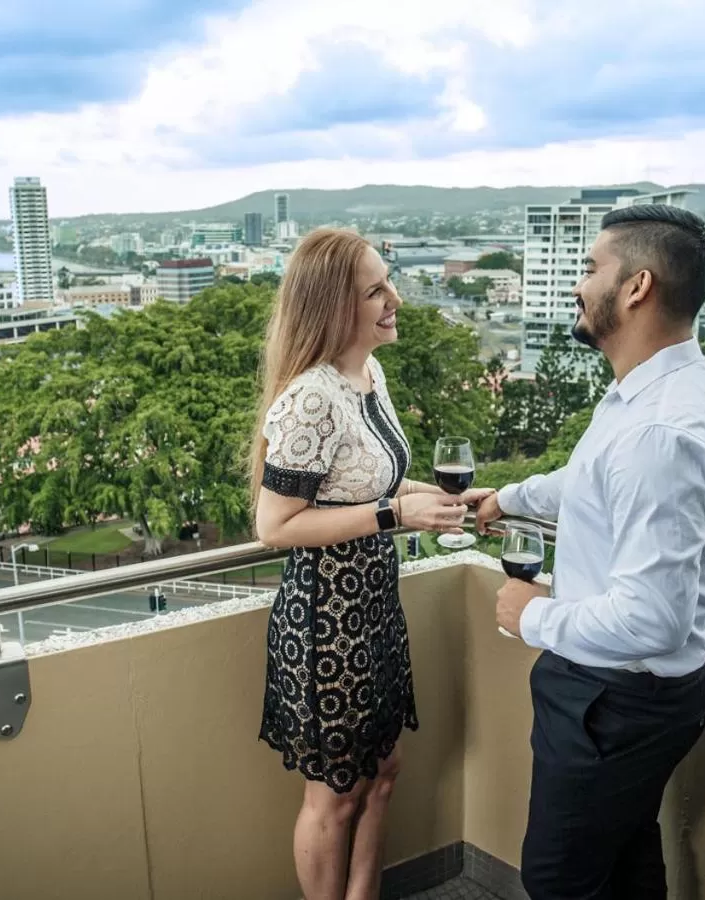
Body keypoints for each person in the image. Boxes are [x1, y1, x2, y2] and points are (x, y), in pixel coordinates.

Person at [475, 205, 705, 900]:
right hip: (630, 697)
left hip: (616, 698)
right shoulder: (651, 391)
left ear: (636, 287)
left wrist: (530, 616)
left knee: (560, 879)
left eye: (592, 267)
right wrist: (511, 496)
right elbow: (595, 482)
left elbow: (652, 617)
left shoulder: (662, 432)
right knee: (625, 862)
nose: (578, 283)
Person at [251, 228, 493, 900]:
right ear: (334, 305)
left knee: (383, 773)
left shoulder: (368, 375)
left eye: (389, 282)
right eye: (376, 290)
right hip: (326, 622)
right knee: (334, 798)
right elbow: (275, 526)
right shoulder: (309, 399)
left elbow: (374, 483)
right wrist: (396, 517)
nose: (396, 300)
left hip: (377, 611)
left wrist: (445, 497)